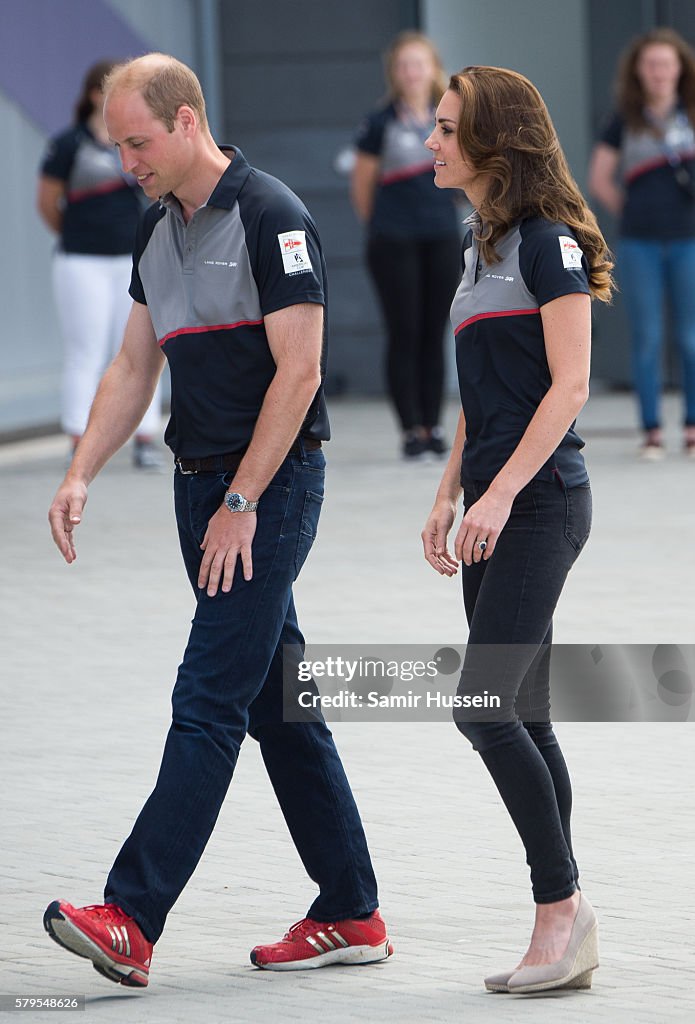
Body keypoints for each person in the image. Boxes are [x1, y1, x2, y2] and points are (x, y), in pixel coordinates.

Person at [43, 52, 392, 988]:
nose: (126, 163)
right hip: (200, 491)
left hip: (265, 493)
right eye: (117, 146)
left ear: (187, 120)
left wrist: (241, 502)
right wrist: (82, 471)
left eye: (138, 142)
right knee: (282, 706)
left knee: (208, 700)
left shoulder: (272, 214)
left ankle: (131, 915)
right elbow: (130, 368)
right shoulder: (157, 230)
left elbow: (302, 371)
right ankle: (351, 909)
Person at [421, 66, 614, 993]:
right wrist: (449, 490)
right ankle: (567, 920)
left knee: (481, 706)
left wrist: (496, 497)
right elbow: (480, 396)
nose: (430, 141)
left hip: (541, 506)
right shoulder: (477, 243)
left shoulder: (547, 248)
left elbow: (567, 387)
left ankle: (558, 908)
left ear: (494, 144)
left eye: (447, 129)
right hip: (494, 506)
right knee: (521, 709)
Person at [37, 60, 163, 470]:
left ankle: (145, 440)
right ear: (95, 95)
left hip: (131, 260)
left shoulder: (135, 142)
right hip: (81, 262)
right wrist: (80, 235)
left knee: (139, 350)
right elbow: (46, 203)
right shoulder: (68, 144)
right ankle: (78, 438)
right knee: (85, 351)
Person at [351, 31, 461, 460]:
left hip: (441, 235)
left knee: (435, 332)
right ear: (394, 73)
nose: (412, 73)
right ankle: (410, 429)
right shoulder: (379, 122)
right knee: (405, 332)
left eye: (419, 64)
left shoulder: (447, 120)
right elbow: (362, 186)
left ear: (432, 67)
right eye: (404, 65)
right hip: (393, 241)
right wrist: (382, 226)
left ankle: (433, 425)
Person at [588, 27, 695, 460]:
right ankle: (651, 430)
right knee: (647, 337)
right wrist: (630, 211)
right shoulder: (623, 119)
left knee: (691, 339)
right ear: (638, 71)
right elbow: (599, 178)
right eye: (651, 64)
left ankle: (691, 426)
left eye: (666, 63)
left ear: (679, 68)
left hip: (690, 241)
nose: (659, 72)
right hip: (641, 244)